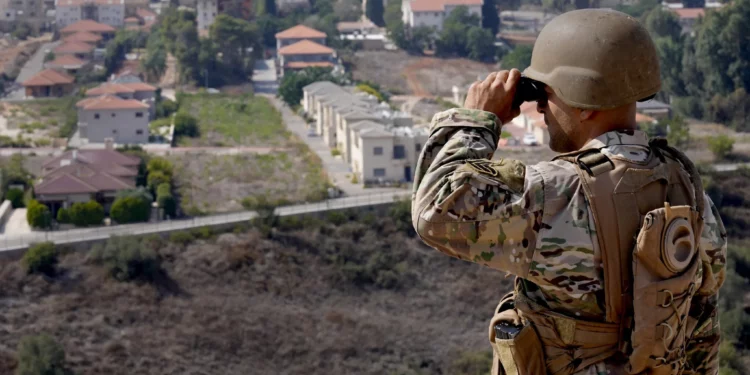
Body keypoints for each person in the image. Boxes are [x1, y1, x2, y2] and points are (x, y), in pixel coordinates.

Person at [411, 9, 727, 375]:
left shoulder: (558, 196)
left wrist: (477, 120)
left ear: (582, 101)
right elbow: (703, 328)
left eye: (545, 93)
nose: (540, 106)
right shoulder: (689, 190)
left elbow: (434, 211)